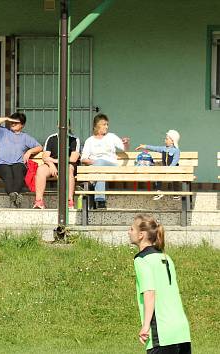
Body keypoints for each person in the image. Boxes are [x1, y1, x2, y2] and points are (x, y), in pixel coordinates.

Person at [128, 214, 191, 353]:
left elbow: (149, 293)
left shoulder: (141, 260)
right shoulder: (166, 257)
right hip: (182, 332)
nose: (129, 232)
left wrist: (145, 326)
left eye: (132, 229)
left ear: (141, 235)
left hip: (162, 335)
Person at [0, 113, 42, 208]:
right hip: (1, 164)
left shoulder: (25, 137)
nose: (13, 124)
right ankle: (15, 195)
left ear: (22, 125)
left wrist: (29, 151)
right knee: (8, 174)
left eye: (16, 123)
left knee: (19, 173)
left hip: (18, 163)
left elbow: (39, 147)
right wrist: (6, 118)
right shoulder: (3, 132)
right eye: (12, 122)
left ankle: (13, 195)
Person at [80, 114, 130, 209]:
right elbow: (83, 159)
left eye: (107, 124)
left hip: (111, 165)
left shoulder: (111, 136)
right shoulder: (89, 141)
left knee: (100, 163)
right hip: (97, 167)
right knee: (100, 171)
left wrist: (126, 143)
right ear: (96, 126)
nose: (106, 127)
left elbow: (124, 149)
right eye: (104, 124)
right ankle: (100, 202)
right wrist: (95, 162)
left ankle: (90, 182)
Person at [33, 132, 81, 209]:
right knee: (41, 169)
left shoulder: (74, 139)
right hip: (53, 165)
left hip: (68, 164)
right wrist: (51, 164)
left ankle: (69, 201)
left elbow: (73, 159)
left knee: (69, 169)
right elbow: (45, 156)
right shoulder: (51, 138)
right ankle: (39, 201)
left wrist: (55, 161)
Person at [136, 130, 181, 201]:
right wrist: (144, 146)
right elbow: (155, 148)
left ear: (172, 141)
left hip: (173, 169)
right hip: (165, 169)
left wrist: (170, 169)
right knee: (158, 175)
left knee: (175, 178)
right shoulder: (163, 149)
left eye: (166, 139)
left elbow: (175, 161)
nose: (165, 140)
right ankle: (158, 191)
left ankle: (176, 194)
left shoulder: (176, 151)